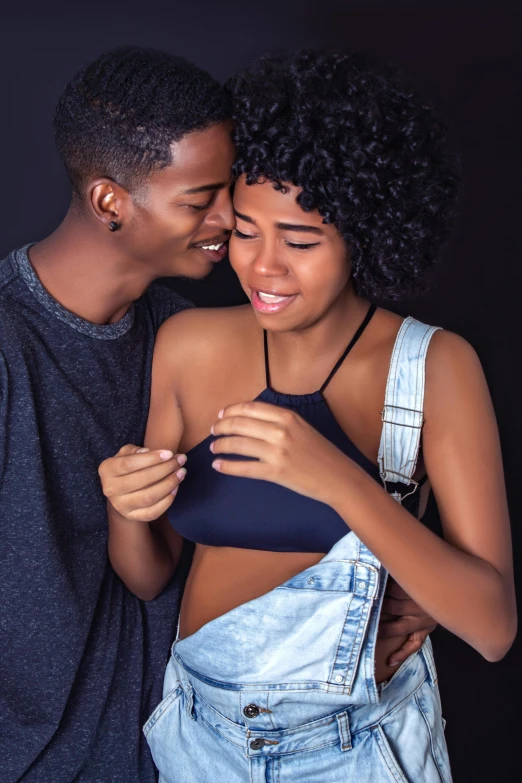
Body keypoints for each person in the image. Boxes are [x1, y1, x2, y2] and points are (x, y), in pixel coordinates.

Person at [99, 47, 517, 782]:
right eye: (246, 231)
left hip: (359, 746)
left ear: (366, 231)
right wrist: (126, 508)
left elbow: (491, 628)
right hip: (199, 739)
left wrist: (342, 483)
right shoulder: (187, 345)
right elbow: (147, 578)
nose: (263, 268)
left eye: (299, 241)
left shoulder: (435, 367)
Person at [0, 46, 235, 782]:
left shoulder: (186, 335)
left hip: (177, 757)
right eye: (201, 199)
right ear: (110, 202)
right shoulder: (8, 345)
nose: (230, 218)